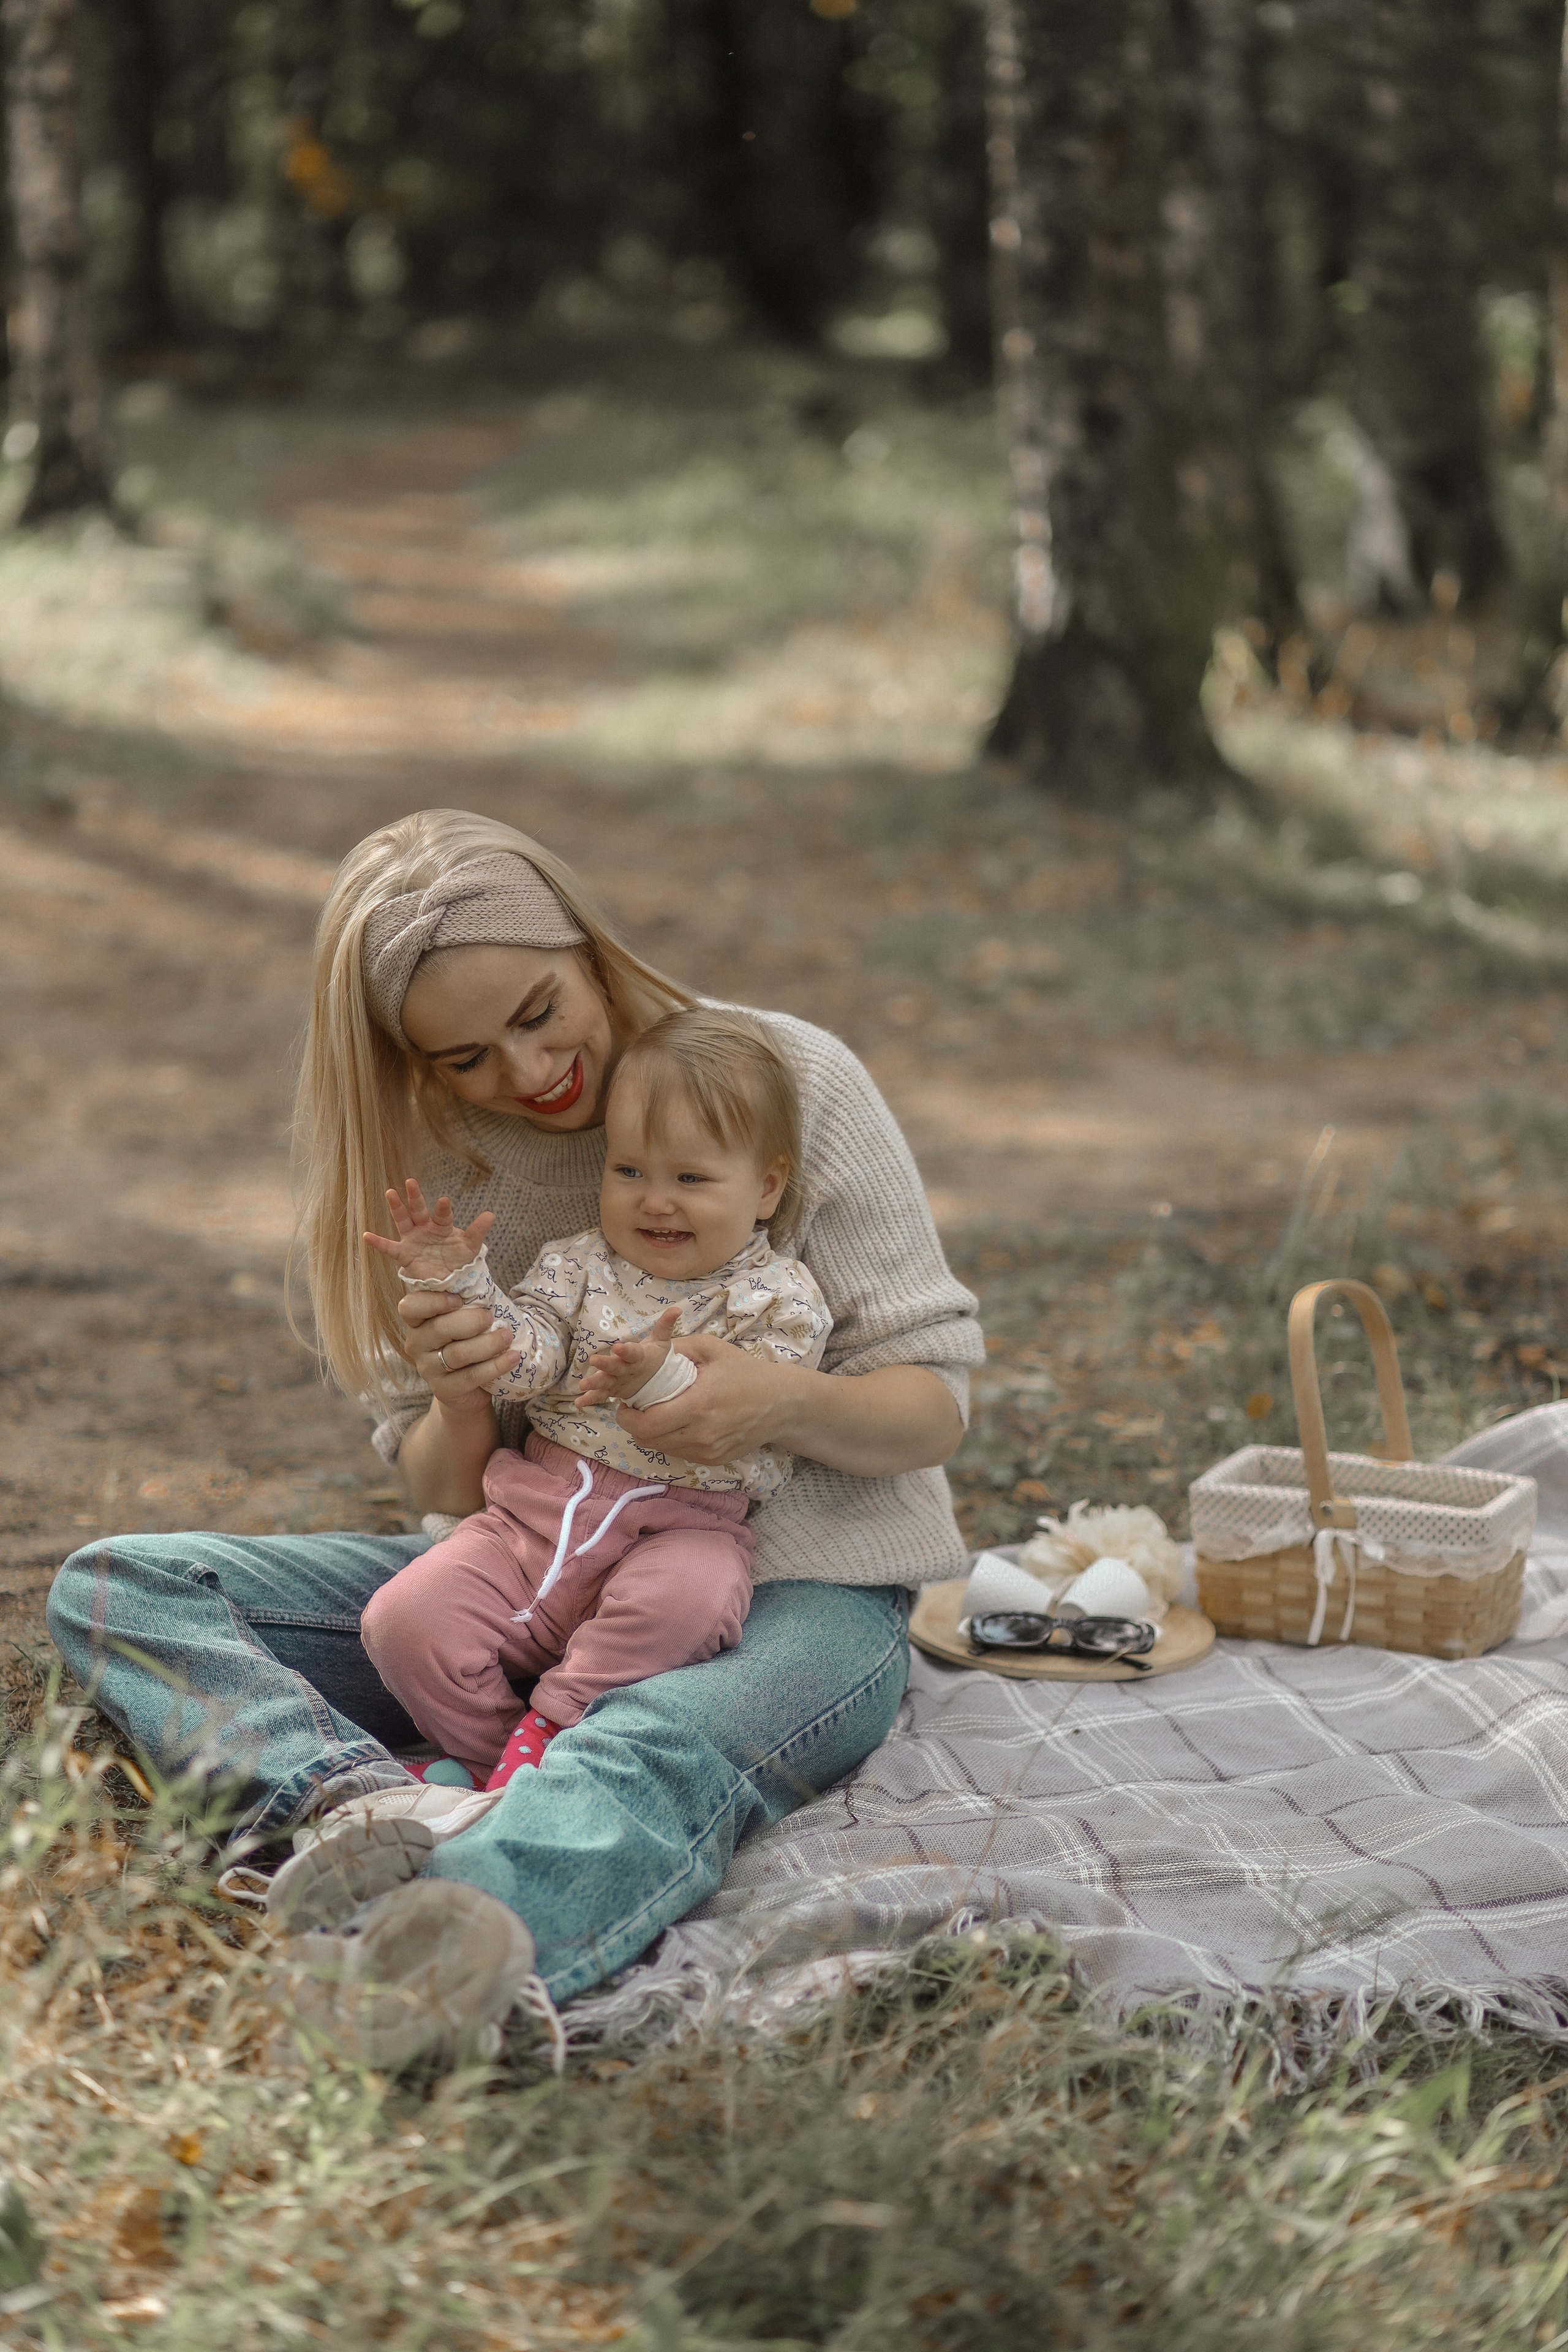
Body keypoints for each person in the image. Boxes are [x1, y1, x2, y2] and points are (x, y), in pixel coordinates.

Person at [47, 809, 983, 2067]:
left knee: (655, 1747)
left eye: (543, 1012)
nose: (529, 1070)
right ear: (417, 1065)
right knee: (122, 1589)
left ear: (588, 949)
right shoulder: (431, 1182)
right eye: (469, 1057)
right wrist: (459, 1395)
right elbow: (439, 1482)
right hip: (534, 1568)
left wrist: (776, 1401)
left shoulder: (782, 1080)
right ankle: (358, 1807)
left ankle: (424, 1968)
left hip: (798, 1594)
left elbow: (933, 1405)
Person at [351, 1006, 832, 1794]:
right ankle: (494, 1763)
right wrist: (459, 1287)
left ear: (767, 1187)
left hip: (679, 1524)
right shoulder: (574, 1265)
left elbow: (741, 1410)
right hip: (530, 1518)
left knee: (692, 1603)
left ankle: (552, 1729)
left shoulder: (780, 1298)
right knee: (402, 1619)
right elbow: (525, 1361)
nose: (655, 1201)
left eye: (691, 1178)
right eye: (630, 1171)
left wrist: (659, 1377)